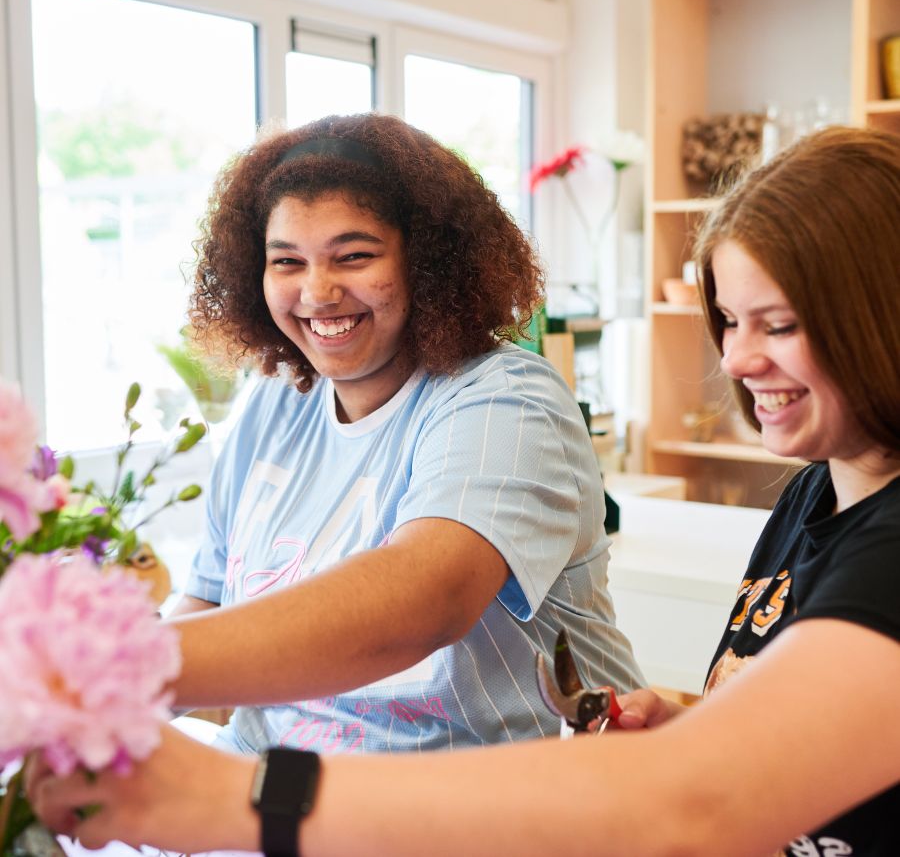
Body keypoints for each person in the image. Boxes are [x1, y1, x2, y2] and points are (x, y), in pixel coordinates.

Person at [30, 124, 900, 856]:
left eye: (778, 325)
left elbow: (694, 802)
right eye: (732, 323)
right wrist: (688, 724)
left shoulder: (503, 400)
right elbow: (756, 744)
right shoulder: (815, 495)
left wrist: (223, 782)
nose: (737, 361)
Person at [151, 112, 644, 755]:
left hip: (486, 808)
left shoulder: (505, 399)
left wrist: (125, 668)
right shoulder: (272, 400)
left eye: (353, 256)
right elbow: (205, 603)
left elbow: (423, 602)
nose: (318, 292)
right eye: (287, 262)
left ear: (429, 262)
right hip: (279, 792)